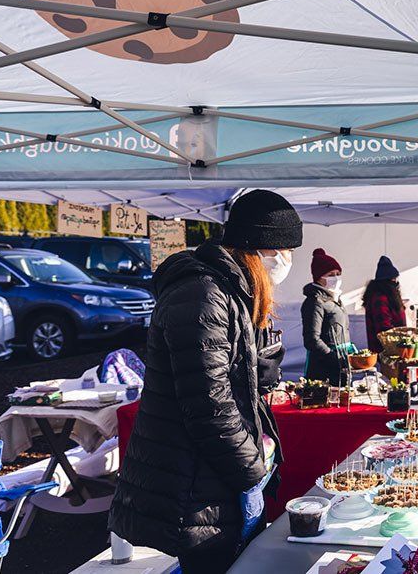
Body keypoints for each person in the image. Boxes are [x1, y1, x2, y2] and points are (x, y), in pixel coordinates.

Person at [109, 190, 303, 574]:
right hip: (195, 480)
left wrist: (256, 367)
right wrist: (252, 475)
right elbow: (208, 405)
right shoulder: (203, 293)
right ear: (262, 249)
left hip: (209, 474)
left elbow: (222, 378)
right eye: (285, 251)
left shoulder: (228, 292)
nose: (286, 262)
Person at [302, 248, 350, 384]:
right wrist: (332, 356)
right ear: (319, 278)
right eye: (331, 274)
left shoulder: (335, 299)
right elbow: (312, 339)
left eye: (338, 273)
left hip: (341, 363)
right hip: (323, 368)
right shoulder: (315, 302)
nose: (336, 277)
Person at [363, 255, 406, 354]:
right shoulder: (380, 299)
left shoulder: (387, 297)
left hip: (396, 348)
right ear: (386, 282)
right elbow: (384, 329)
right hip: (387, 350)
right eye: (393, 279)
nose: (395, 282)